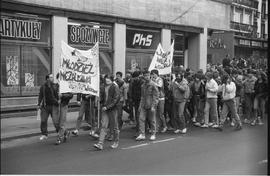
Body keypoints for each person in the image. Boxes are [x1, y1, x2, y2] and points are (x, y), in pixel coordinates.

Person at [93, 74, 120, 150]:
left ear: (112, 79)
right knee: (104, 126)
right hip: (105, 108)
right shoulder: (103, 87)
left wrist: (107, 107)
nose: (107, 80)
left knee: (114, 126)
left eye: (108, 78)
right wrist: (99, 99)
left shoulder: (115, 87)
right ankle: (100, 143)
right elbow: (103, 98)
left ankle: (116, 142)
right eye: (106, 78)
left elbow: (116, 99)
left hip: (112, 109)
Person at [136, 70, 159, 141]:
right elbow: (142, 97)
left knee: (152, 120)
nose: (146, 77)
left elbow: (156, 96)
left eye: (147, 75)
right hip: (143, 105)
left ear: (150, 76)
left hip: (151, 105)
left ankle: (153, 134)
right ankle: (142, 134)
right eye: (145, 75)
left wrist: (153, 106)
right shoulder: (142, 85)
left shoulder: (153, 84)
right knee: (141, 119)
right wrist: (140, 106)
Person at [37, 73, 60, 141]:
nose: (53, 78)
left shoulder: (55, 86)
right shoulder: (43, 87)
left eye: (53, 77)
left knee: (56, 122)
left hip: (54, 106)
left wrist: (58, 101)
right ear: (47, 79)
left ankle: (60, 132)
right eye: (51, 77)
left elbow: (57, 96)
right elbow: (40, 96)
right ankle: (44, 134)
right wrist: (38, 104)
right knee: (43, 120)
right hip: (45, 106)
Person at [53, 73, 73, 145]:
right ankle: (66, 132)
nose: (60, 79)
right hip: (55, 106)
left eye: (61, 78)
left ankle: (59, 138)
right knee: (55, 122)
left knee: (62, 123)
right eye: (59, 78)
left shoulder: (66, 86)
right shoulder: (54, 86)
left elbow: (71, 95)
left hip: (63, 105)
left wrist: (63, 95)